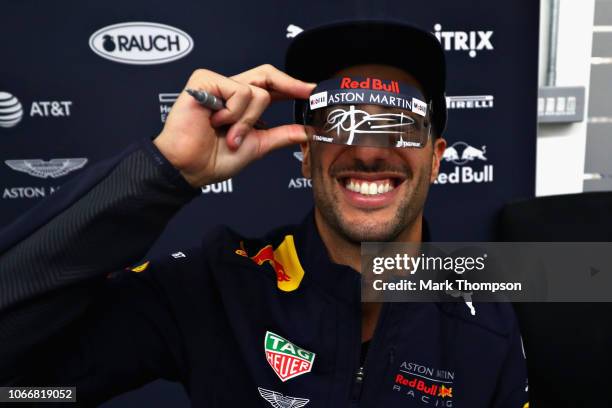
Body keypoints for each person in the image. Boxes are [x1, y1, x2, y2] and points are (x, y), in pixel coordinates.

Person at [0, 21, 528, 407]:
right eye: (340, 120)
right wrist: (164, 173)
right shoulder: (216, 286)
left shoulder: (490, 318)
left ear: (436, 159)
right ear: (304, 150)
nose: (368, 149)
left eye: (398, 124)